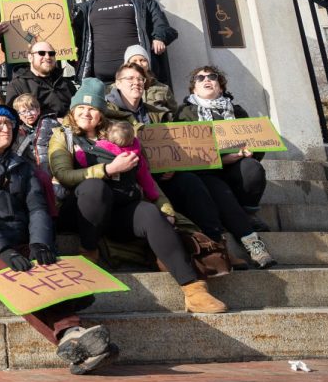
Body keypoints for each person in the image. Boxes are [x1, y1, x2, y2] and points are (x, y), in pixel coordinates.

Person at [0, 100, 119, 375]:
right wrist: (4, 249)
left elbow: (37, 207)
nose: (5, 128)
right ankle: (71, 331)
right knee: (18, 277)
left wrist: (41, 243)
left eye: (9, 123)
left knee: (44, 265)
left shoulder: (22, 165)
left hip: (21, 241)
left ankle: (76, 340)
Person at [46, 80, 228, 315]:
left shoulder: (122, 136)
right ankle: (89, 252)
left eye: (92, 109)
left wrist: (166, 209)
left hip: (121, 207)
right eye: (81, 108)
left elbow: (146, 179)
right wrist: (108, 170)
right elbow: (63, 174)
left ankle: (193, 290)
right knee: (94, 188)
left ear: (101, 113)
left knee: (151, 214)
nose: (86, 113)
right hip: (82, 209)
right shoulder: (62, 136)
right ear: (72, 110)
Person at [176, 65, 274, 267]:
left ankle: (248, 212)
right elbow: (187, 154)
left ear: (220, 86)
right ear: (193, 88)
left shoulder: (237, 111)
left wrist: (250, 151)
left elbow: (258, 146)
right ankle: (253, 243)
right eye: (199, 78)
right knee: (222, 194)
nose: (206, 80)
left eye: (212, 76)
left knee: (252, 168)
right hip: (205, 172)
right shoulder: (184, 113)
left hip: (235, 169)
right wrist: (221, 160)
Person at [73, 0, 177, 83]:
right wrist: (74, 49)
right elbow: (77, 35)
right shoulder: (88, 7)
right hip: (102, 79)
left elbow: (160, 22)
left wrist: (159, 37)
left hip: (137, 76)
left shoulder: (141, 0)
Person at [5, 40, 77, 118]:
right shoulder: (18, 85)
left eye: (51, 54)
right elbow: (12, 117)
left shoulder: (66, 83)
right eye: (41, 53)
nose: (47, 57)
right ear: (30, 58)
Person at [103, 62, 172, 126]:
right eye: (130, 78)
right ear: (118, 84)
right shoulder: (106, 112)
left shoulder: (157, 114)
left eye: (140, 79)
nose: (136, 82)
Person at [121, 44, 178, 112]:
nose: (139, 64)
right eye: (134, 61)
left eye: (142, 60)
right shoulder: (118, 88)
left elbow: (175, 114)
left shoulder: (163, 89)